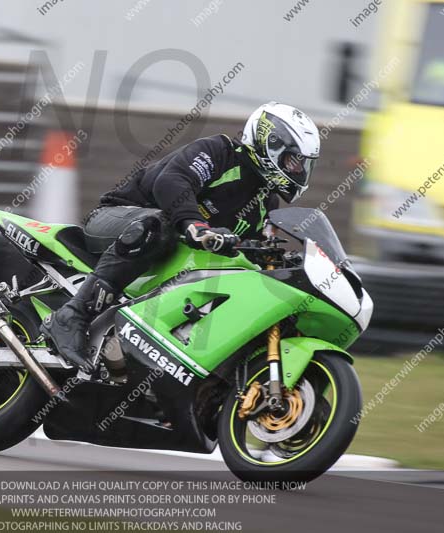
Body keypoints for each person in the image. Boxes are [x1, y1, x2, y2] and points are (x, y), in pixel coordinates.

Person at [41, 102, 320, 369]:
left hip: (168, 255)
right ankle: (72, 315)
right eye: (294, 161)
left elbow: (248, 252)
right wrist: (195, 225)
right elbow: (172, 181)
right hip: (116, 220)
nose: (299, 171)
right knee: (157, 224)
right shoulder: (221, 152)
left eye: (303, 164)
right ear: (269, 145)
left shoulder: (265, 203)